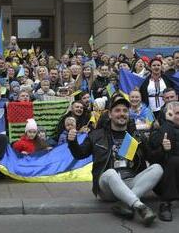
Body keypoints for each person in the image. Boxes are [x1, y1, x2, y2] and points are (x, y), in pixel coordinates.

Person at [67, 95, 163, 226]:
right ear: (110, 115)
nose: (122, 114)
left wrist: (163, 148)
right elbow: (80, 154)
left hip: (131, 183)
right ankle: (141, 207)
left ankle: (126, 203)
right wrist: (72, 142)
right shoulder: (97, 135)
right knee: (111, 173)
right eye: (117, 110)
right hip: (107, 186)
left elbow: (151, 157)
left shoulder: (136, 136)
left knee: (157, 168)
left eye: (125, 111)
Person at [149, 101, 179, 221]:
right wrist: (169, 123)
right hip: (165, 181)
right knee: (174, 160)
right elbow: (152, 156)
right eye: (176, 113)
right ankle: (165, 204)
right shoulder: (159, 130)